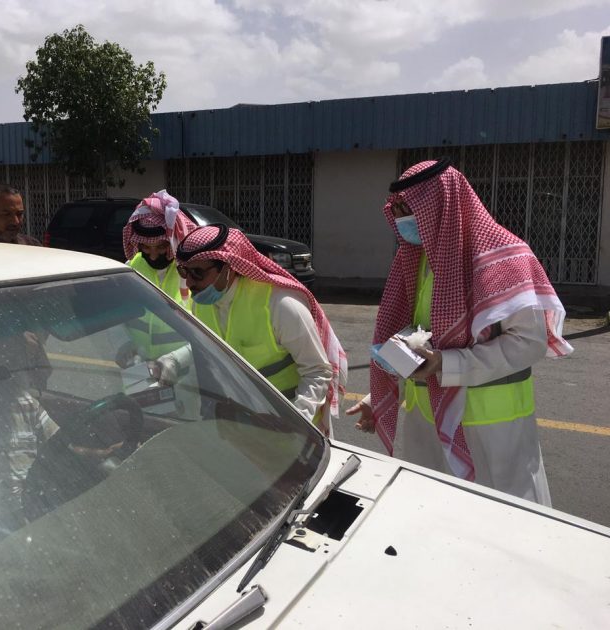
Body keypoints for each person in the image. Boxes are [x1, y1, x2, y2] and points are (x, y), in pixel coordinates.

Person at [346, 158, 573, 506]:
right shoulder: (420, 260)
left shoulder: (504, 258)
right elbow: (422, 337)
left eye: (409, 209)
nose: (403, 219)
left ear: (440, 204)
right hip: (426, 420)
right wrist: (379, 397)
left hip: (491, 425)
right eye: (399, 210)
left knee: (502, 521)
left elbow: (529, 344)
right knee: (434, 513)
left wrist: (446, 363)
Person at [172, 223, 347, 437]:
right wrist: (173, 362)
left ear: (228, 268)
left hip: (295, 432)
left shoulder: (280, 305)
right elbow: (209, 352)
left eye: (197, 273)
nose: (189, 282)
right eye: (184, 271)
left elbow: (317, 371)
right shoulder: (200, 305)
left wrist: (297, 420)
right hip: (242, 429)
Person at [116, 190, 196, 366]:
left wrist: (177, 359)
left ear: (174, 242)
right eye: (146, 248)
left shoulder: (192, 274)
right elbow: (121, 316)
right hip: (141, 368)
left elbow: (210, 337)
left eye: (160, 247)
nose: (153, 256)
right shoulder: (132, 268)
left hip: (185, 374)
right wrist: (128, 345)